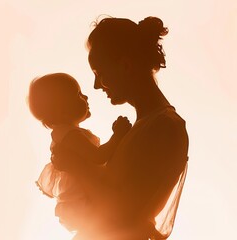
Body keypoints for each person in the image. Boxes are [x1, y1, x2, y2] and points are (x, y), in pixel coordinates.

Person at [52, 16, 189, 240]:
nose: (96, 85)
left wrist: (77, 165)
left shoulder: (164, 126)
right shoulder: (145, 125)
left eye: (99, 73)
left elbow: (121, 210)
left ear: (125, 65)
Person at [28, 72, 132, 232]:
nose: (86, 97)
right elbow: (98, 157)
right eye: (78, 95)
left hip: (81, 202)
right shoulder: (70, 136)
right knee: (112, 221)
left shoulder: (64, 134)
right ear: (62, 110)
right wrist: (117, 136)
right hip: (82, 203)